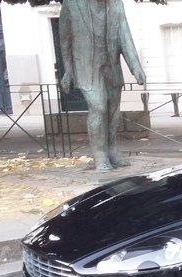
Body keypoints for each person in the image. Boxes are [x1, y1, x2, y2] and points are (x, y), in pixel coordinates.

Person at [59, 0, 146, 171]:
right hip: (86, 67)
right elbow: (65, 39)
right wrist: (68, 71)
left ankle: (112, 152)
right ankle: (100, 156)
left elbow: (124, 35)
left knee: (113, 110)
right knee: (98, 107)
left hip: (111, 65)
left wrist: (135, 67)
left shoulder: (116, 4)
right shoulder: (72, 4)